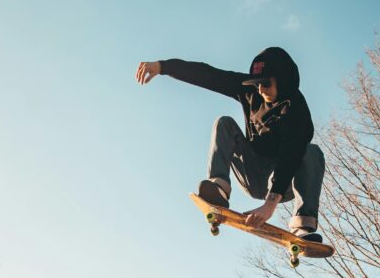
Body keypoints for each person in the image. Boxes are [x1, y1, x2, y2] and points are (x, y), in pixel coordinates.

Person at [136, 47, 325, 242]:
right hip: (251, 172)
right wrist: (163, 67)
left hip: (282, 181)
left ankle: (303, 225)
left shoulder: (296, 111)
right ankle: (220, 187)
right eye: (257, 84)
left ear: (284, 81)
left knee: (311, 152)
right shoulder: (250, 91)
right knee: (224, 123)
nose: (260, 90)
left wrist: (270, 204)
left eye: (266, 84)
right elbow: (209, 75)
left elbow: (290, 156)